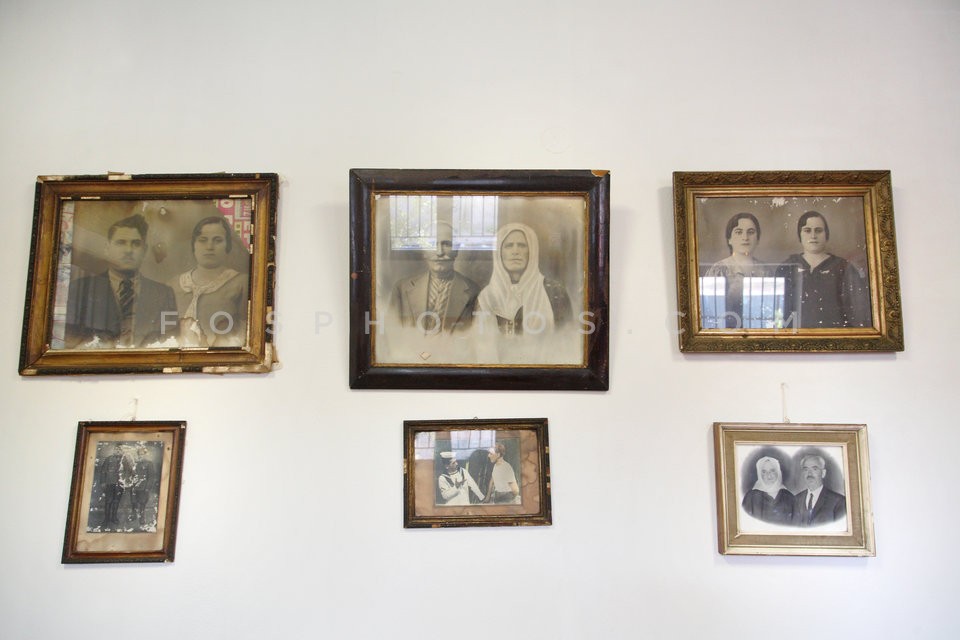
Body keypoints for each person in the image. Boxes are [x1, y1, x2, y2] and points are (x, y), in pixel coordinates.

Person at [65, 214, 178, 348]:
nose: (128, 250)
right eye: (121, 242)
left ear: (144, 250)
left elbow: (170, 339)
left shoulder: (164, 294)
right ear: (107, 248)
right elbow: (70, 339)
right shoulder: (81, 289)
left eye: (136, 244)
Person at [474, 222, 573, 362]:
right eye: (509, 246)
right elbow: (481, 348)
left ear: (532, 250)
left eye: (522, 245)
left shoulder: (554, 292)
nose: (515, 251)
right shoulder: (486, 298)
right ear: (499, 253)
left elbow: (567, 342)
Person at [775, 211, 870, 328]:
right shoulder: (787, 268)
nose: (813, 236)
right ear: (800, 234)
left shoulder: (843, 268)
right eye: (807, 230)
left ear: (826, 234)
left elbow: (858, 313)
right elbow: (777, 312)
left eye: (818, 230)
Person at [387, 221, 480, 336]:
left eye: (446, 244)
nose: (439, 252)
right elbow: (391, 336)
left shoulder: (473, 291)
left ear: (456, 250)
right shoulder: (401, 289)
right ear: (424, 251)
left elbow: (475, 339)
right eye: (432, 244)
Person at [170, 216, 249, 347]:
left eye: (218, 240)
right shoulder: (173, 284)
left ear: (228, 246)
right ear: (194, 245)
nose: (209, 247)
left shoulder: (242, 283)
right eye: (202, 240)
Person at [703, 213, 769, 328]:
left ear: (758, 239)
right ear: (729, 239)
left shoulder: (765, 270)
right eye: (738, 232)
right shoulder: (719, 270)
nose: (745, 237)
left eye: (751, 232)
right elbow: (710, 313)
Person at [792, 454, 846, 526]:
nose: (809, 474)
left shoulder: (839, 501)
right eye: (806, 469)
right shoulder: (795, 500)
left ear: (823, 473)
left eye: (814, 469)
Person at [741, 456, 794, 525]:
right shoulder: (750, 497)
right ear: (759, 474)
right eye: (764, 472)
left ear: (778, 472)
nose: (768, 475)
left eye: (772, 471)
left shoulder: (789, 497)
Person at [96, 444, 125, 529]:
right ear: (114, 450)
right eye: (116, 449)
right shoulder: (108, 459)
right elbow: (103, 471)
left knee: (116, 501)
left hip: (120, 484)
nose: (118, 451)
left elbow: (128, 471)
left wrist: (126, 482)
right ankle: (106, 519)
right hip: (110, 483)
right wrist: (103, 482)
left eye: (120, 449)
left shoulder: (125, 460)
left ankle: (114, 518)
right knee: (108, 501)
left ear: (122, 451)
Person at [130, 446, 156, 530]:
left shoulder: (149, 463)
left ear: (145, 454)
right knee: (133, 502)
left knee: (142, 503)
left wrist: (147, 487)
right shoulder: (135, 463)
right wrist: (131, 483)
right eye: (139, 454)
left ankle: (142, 517)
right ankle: (134, 515)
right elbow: (131, 475)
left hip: (143, 487)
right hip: (134, 486)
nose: (140, 456)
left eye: (142, 454)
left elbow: (151, 477)